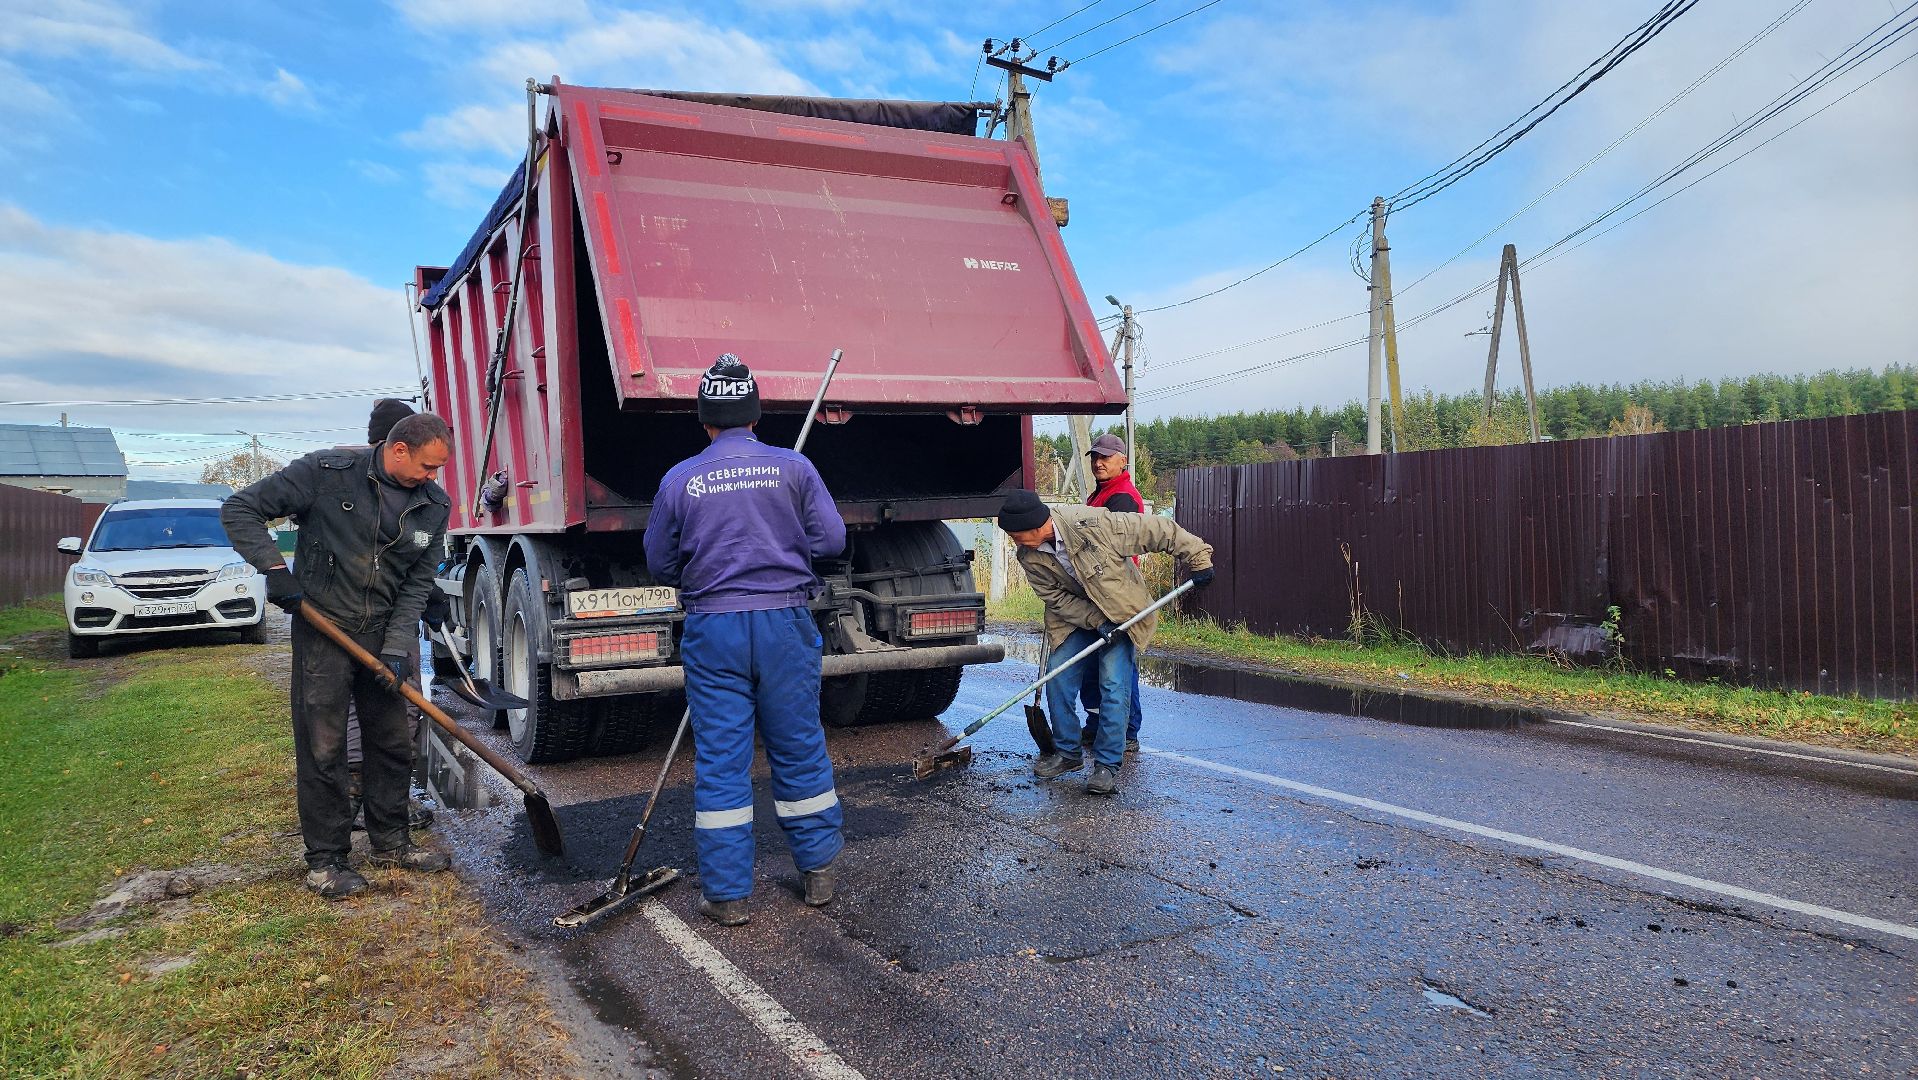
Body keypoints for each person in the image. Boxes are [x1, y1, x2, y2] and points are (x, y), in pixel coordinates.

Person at [644, 354, 848, 927]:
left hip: (715, 628)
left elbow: (660, 560)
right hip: (785, 624)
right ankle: (818, 874)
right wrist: (786, 546)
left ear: (705, 420)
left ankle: (729, 896)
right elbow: (830, 542)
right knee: (800, 745)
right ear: (755, 416)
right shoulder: (794, 469)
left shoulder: (680, 478)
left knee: (722, 761)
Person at [222, 412, 455, 899]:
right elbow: (241, 508)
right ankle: (326, 860)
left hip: (381, 633)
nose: (433, 477)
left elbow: (416, 584)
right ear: (398, 451)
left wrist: (395, 649)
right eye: (428, 466)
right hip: (323, 628)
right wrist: (273, 567)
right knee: (323, 747)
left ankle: (391, 840)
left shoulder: (433, 505)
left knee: (392, 741)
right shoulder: (325, 475)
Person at [998, 489, 1215, 796]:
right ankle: (1068, 753)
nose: (1014, 542)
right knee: (1057, 675)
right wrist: (1096, 621)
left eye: (1017, 535)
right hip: (1077, 618)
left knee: (1113, 685)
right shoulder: (1029, 555)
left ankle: (1106, 766)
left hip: (1121, 613)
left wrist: (1198, 557)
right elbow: (1055, 598)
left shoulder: (1094, 525)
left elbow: (1159, 530)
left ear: (1037, 527)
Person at [342, 398, 444, 832]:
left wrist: (430, 589)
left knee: (372, 707)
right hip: (359, 620)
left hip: (384, 617)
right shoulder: (351, 483)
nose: (429, 476)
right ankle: (371, 804)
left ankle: (372, 803)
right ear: (395, 445)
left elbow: (406, 555)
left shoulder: (412, 490)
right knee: (389, 706)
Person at [1080, 433, 1147, 755]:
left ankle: (1127, 732)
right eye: (1095, 456)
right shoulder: (1101, 494)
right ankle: (1096, 727)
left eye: (1106, 457)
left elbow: (1112, 549)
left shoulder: (1121, 498)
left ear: (1123, 461)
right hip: (1097, 591)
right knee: (1094, 667)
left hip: (1116, 593)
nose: (1098, 462)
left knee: (1116, 666)